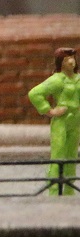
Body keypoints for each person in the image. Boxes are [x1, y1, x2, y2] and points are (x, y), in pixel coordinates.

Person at [28, 47, 80, 196]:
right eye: (67, 59)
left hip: (76, 121)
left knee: (72, 157)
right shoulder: (57, 80)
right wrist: (50, 111)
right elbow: (35, 93)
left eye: (72, 58)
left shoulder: (78, 79)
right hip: (61, 122)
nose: (71, 62)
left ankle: (69, 191)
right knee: (58, 156)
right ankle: (53, 191)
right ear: (60, 62)